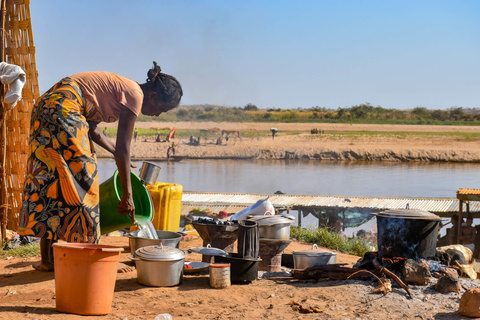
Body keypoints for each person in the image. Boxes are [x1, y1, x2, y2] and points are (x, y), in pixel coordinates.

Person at [18, 61, 182, 272]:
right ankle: (93, 260)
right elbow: (124, 148)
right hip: (65, 107)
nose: (158, 114)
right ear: (153, 96)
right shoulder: (135, 95)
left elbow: (93, 130)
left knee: (51, 178)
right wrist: (128, 196)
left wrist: (114, 151)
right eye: (162, 109)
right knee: (85, 179)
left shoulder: (122, 89)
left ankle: (46, 261)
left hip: (47, 106)